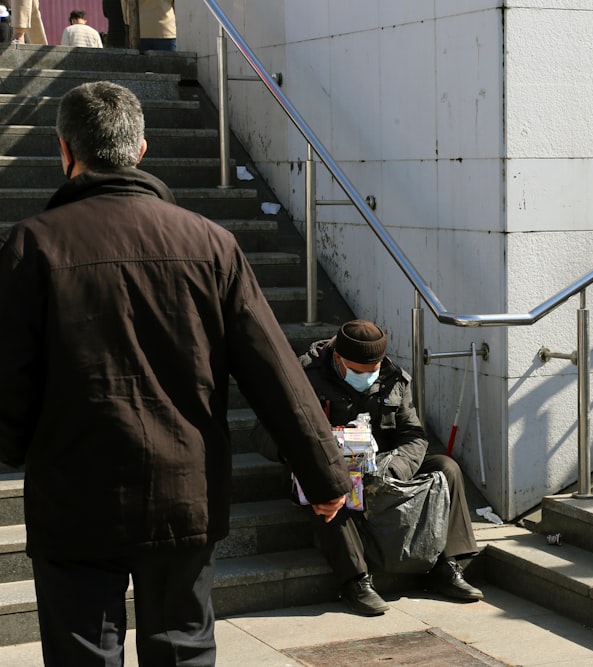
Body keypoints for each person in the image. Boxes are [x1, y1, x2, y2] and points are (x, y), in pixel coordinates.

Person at [0, 81, 352, 666]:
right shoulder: (210, 243)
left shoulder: (30, 246)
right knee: (182, 647)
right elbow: (273, 369)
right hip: (183, 489)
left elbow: (9, 375)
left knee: (82, 649)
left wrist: (14, 446)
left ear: (65, 151)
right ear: (141, 150)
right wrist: (324, 475)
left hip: (73, 491)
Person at [253, 320, 484, 616]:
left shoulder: (394, 379)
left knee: (445, 467)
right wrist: (305, 454)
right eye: (359, 370)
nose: (367, 376)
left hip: (382, 467)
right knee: (329, 484)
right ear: (338, 358)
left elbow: (413, 435)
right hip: (326, 468)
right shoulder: (303, 375)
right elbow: (263, 432)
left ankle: (447, 566)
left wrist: (394, 470)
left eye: (372, 369)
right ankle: (356, 581)